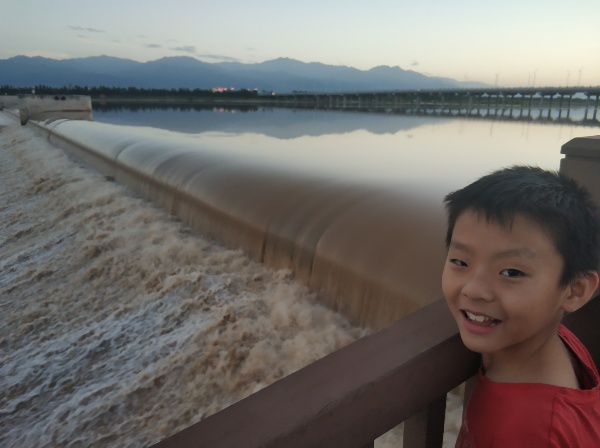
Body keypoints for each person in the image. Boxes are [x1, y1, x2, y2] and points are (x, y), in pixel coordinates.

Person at [442, 166, 600, 447]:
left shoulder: (529, 433)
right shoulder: (555, 339)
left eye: (511, 273)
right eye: (460, 262)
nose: (473, 289)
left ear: (575, 290)